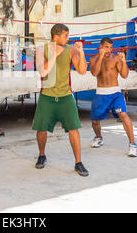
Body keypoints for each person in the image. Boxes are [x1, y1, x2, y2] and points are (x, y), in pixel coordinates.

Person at [32, 23, 89, 176]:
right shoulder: (40, 50)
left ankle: (78, 162)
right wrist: (55, 54)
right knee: (41, 129)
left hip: (65, 96)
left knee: (74, 129)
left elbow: (82, 71)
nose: (68, 38)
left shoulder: (71, 50)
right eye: (66, 36)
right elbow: (43, 72)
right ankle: (42, 155)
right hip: (47, 96)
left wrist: (81, 52)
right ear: (56, 37)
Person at [89, 37, 137, 157]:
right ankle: (99, 137)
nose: (109, 50)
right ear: (100, 46)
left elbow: (125, 75)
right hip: (101, 93)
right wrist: (101, 56)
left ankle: (132, 144)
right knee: (95, 121)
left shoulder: (115, 58)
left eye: (111, 47)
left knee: (123, 115)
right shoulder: (93, 59)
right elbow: (94, 73)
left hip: (115, 93)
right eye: (106, 47)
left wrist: (124, 61)